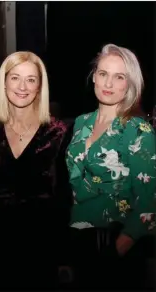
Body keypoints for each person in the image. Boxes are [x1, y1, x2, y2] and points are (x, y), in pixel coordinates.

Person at [0, 51, 73, 290]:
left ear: (40, 86)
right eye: (15, 78)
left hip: (42, 250)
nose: (22, 86)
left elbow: (66, 198)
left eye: (31, 79)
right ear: (4, 82)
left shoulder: (59, 133)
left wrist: (64, 257)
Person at [66, 44, 156, 290]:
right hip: (79, 238)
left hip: (118, 242)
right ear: (94, 76)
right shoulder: (82, 122)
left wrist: (116, 251)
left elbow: (149, 202)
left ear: (129, 83)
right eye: (103, 73)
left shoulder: (138, 130)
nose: (108, 83)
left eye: (119, 77)